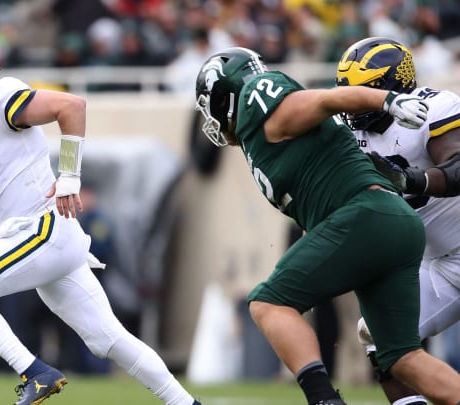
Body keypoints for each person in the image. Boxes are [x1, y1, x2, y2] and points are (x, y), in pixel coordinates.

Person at [0, 30, 201, 405]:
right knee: (107, 339)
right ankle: (185, 402)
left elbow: (71, 106)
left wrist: (70, 176)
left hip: (41, 227)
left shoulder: (1, 98)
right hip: (28, 236)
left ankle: (36, 372)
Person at [194, 46, 460, 404]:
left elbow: (325, 100)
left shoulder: (258, 95)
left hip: (378, 220)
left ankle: (324, 400)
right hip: (408, 237)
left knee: (267, 303)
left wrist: (388, 104)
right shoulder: (277, 137)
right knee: (395, 353)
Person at [335, 36, 460, 405]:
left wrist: (412, 180)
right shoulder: (348, 130)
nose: (356, 101)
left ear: (393, 85)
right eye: (348, 91)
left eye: (366, 90)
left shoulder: (434, 108)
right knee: (381, 337)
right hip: (437, 262)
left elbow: (457, 165)